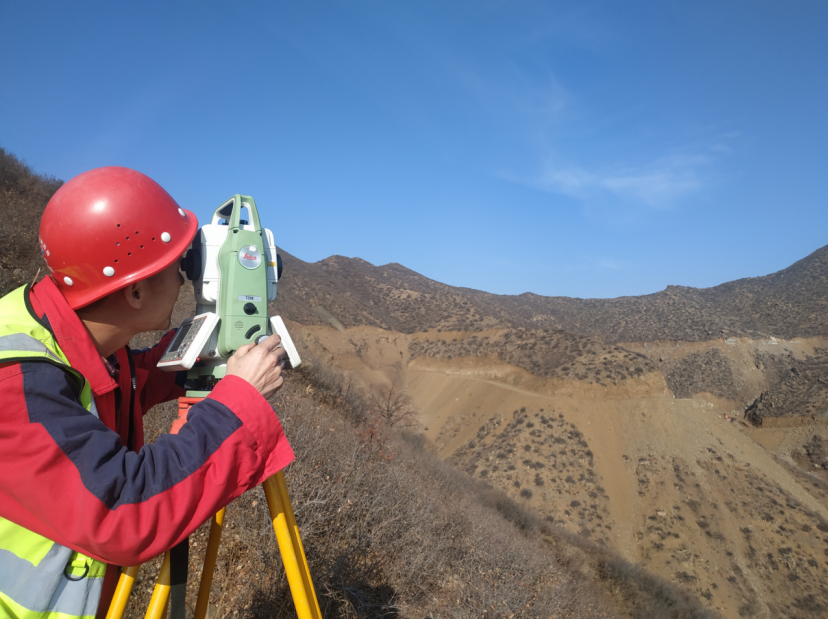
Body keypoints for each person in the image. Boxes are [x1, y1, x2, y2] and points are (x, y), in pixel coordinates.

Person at [0, 167, 294, 618]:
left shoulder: (59, 326)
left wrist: (205, 355)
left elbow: (119, 380)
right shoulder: (17, 386)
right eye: (175, 264)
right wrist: (238, 402)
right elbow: (124, 508)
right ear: (135, 291)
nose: (184, 279)